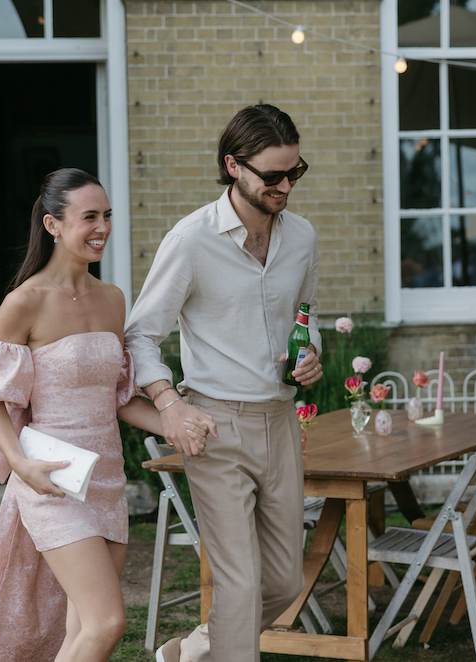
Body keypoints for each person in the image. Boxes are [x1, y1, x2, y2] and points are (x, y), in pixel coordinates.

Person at [0, 168, 215, 662]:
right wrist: (20, 466)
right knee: (107, 623)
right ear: (52, 225)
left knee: (81, 629)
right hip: (52, 480)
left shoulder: (112, 300)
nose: (102, 227)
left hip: (105, 477)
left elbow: (118, 398)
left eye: (107, 215)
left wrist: (174, 421)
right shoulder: (24, 302)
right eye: (89, 217)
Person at [124, 105, 324, 662]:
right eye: (273, 176)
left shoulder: (302, 238)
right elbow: (140, 335)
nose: (286, 185)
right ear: (233, 166)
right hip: (214, 424)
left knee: (283, 582)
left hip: (281, 422)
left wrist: (311, 355)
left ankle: (190, 653)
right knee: (239, 585)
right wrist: (168, 403)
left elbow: (307, 316)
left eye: (295, 172)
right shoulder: (191, 240)